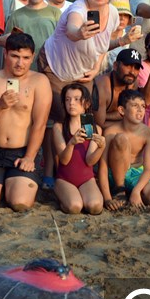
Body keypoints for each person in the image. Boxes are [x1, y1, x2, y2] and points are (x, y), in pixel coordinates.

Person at [0, 33, 52, 211]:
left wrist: (30, 157)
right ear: (5, 55)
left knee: (20, 203)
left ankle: (13, 183)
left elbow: (40, 123)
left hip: (22, 150)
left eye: (25, 58)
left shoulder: (39, 81)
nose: (19, 63)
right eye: (15, 56)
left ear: (32, 58)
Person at [38, 0, 121, 124]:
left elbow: (102, 45)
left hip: (83, 71)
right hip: (56, 67)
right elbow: (71, 29)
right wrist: (79, 33)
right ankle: (53, 148)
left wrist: (97, 66)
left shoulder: (113, 13)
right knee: (65, 116)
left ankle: (85, 149)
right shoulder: (78, 8)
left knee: (86, 117)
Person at [98, 90, 150, 211]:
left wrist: (137, 191)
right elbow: (103, 166)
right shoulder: (110, 131)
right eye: (135, 106)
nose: (140, 110)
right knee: (121, 139)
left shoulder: (149, 133)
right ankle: (119, 189)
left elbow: (148, 169)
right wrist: (107, 198)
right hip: (114, 174)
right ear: (122, 110)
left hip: (136, 173)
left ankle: (131, 193)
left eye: (143, 106)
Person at [52, 83, 106, 215]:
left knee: (95, 207)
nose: (71, 103)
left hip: (86, 179)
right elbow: (64, 161)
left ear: (86, 104)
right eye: (67, 99)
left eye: (77, 99)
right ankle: (63, 195)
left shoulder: (94, 128)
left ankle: (79, 195)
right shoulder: (58, 127)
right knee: (75, 207)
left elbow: (90, 161)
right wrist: (71, 143)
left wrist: (101, 147)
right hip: (64, 178)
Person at [3, 0, 63, 70]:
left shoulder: (55, 13)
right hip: (22, 69)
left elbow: (62, 43)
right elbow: (8, 46)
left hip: (49, 68)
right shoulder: (16, 15)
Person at [95, 48, 143, 128]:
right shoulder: (102, 86)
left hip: (116, 126)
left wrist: (106, 116)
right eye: (128, 65)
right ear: (115, 66)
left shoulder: (133, 83)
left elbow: (132, 114)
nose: (132, 72)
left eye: (136, 67)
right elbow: (100, 123)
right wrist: (125, 120)